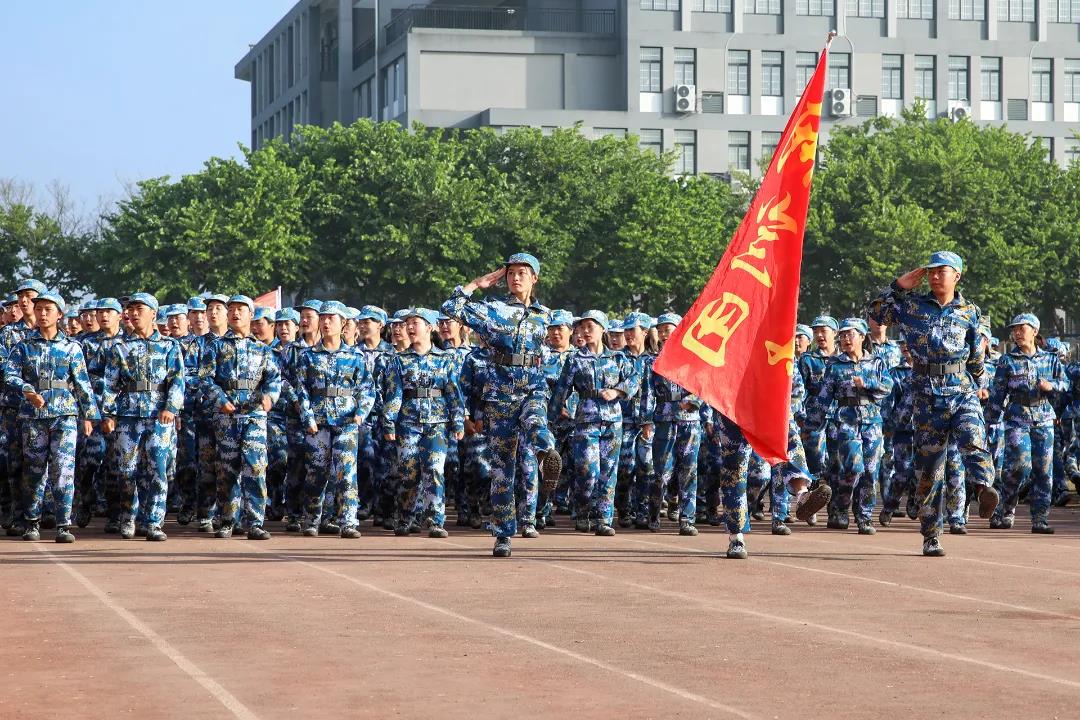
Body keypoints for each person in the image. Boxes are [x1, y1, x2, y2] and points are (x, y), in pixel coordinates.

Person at [868, 251, 1000, 557]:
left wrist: (980, 383)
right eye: (931, 272)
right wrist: (898, 286)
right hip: (926, 395)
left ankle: (983, 488)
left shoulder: (969, 311)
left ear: (957, 276)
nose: (936, 276)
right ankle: (931, 535)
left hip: (961, 388)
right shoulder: (912, 306)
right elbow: (876, 314)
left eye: (942, 271)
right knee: (930, 470)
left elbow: (976, 354)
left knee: (974, 437)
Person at [441, 252, 561, 558]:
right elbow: (450, 308)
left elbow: (554, 353)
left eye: (522, 273)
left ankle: (546, 455)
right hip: (500, 396)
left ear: (534, 278)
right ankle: (504, 534)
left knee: (536, 423)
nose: (516, 278)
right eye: (510, 273)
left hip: (532, 389)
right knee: (502, 470)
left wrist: (548, 377)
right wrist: (476, 284)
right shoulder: (492, 310)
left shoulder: (546, 316)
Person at [3, 291, 99, 542]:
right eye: (39, 309)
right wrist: (27, 390)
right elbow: (9, 375)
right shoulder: (23, 347)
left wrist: (89, 416)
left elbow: (82, 384)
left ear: (59, 314)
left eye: (48, 309)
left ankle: (63, 524)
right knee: (34, 470)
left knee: (63, 470)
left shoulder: (72, 347)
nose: (42, 314)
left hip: (64, 415)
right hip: (33, 417)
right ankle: (32, 522)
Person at [99, 293, 184, 541]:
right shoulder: (119, 348)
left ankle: (154, 522)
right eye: (131, 309)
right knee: (126, 470)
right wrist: (108, 413)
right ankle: (128, 517)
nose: (133, 314)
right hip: (128, 416)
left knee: (158, 469)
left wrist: (171, 407)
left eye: (140, 309)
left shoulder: (169, 346)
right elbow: (110, 384)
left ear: (153, 314)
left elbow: (177, 381)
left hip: (159, 416)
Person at [198, 295, 281, 540]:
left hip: (254, 416)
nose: (235, 313)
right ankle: (228, 520)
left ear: (251, 315)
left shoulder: (262, 349)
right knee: (227, 469)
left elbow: (274, 379)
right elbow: (205, 378)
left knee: (255, 467)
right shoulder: (216, 347)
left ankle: (255, 522)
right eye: (231, 309)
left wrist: (270, 397)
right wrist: (220, 399)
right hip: (227, 416)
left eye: (240, 310)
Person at [293, 301, 377, 538]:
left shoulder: (355, 356)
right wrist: (307, 418)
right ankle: (312, 519)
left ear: (343, 324)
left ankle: (348, 521)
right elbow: (301, 391)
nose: (326, 322)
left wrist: (361, 412)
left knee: (346, 473)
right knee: (316, 473)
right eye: (323, 318)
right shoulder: (308, 356)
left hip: (347, 422)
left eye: (332, 318)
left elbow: (367, 389)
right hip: (318, 423)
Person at [552, 310, 639, 536]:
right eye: (582, 327)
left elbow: (634, 379)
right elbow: (562, 389)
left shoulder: (618, 359)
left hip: (613, 421)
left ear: (602, 329)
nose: (585, 331)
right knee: (587, 470)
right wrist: (553, 414)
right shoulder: (575, 359)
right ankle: (582, 512)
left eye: (590, 327)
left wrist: (617, 391)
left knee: (608, 472)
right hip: (586, 421)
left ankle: (604, 519)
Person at [804, 318, 893, 535]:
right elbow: (823, 397)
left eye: (850, 334)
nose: (845, 339)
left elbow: (888, 387)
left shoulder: (876, 362)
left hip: (872, 421)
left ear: (862, 336)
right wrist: (810, 424)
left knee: (870, 472)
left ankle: (864, 517)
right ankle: (841, 509)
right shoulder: (835, 365)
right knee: (852, 468)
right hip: (845, 421)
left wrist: (867, 384)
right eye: (842, 335)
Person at [381, 308, 464, 538]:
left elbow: (453, 393)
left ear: (429, 327)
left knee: (434, 470)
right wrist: (389, 422)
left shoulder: (445, 359)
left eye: (414, 323)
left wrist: (458, 421)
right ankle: (406, 517)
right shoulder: (398, 360)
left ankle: (436, 521)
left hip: (437, 423)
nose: (409, 327)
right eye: (407, 323)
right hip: (408, 424)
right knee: (409, 472)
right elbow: (394, 394)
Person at [985, 314, 1068, 533]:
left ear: (1034, 331)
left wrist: (1052, 386)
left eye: (1022, 329)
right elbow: (997, 394)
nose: (1017, 333)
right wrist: (989, 423)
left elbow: (1065, 383)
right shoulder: (1007, 360)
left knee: (1044, 471)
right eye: (1015, 329)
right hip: (1017, 419)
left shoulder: (1050, 359)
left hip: (1044, 418)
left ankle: (1040, 519)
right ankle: (1007, 508)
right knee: (1019, 467)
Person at [0, 279, 46, 535]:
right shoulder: (9, 334)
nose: (24, 301)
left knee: (42, 463)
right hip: (15, 408)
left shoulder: (53, 333)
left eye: (29, 296)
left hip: (46, 409)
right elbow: (4, 367)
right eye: (21, 296)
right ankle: (17, 513)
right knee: (14, 462)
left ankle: (42, 512)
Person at [651, 313, 703, 534]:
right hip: (664, 420)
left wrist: (692, 402)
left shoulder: (693, 358)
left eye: (668, 329)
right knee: (661, 471)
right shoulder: (654, 360)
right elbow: (647, 392)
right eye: (660, 330)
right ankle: (654, 514)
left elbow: (703, 384)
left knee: (689, 470)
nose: (664, 334)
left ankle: (687, 519)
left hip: (689, 421)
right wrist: (646, 420)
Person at [614, 312, 655, 530]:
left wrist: (651, 419)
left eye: (632, 330)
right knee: (625, 467)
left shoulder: (655, 360)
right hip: (623, 421)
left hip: (648, 422)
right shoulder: (617, 359)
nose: (628, 334)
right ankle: (624, 509)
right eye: (626, 330)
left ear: (645, 332)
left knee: (646, 467)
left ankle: (643, 511)